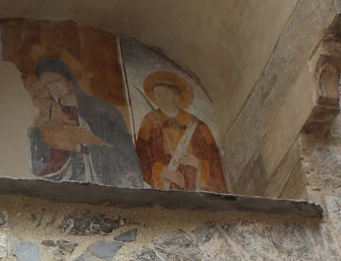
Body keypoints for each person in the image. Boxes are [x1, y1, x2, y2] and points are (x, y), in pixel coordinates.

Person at [27, 57, 143, 188]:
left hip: (96, 184)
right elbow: (39, 162)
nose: (54, 87)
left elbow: (126, 158)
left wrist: (80, 147)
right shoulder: (49, 115)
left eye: (57, 80)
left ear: (69, 79)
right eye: (48, 84)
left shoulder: (102, 112)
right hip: (61, 186)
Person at [135, 71, 226, 192]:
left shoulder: (199, 126)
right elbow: (141, 157)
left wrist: (199, 164)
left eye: (165, 94)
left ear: (177, 96)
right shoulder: (149, 121)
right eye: (158, 95)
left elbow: (215, 161)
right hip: (166, 187)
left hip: (192, 184)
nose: (161, 99)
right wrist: (162, 172)